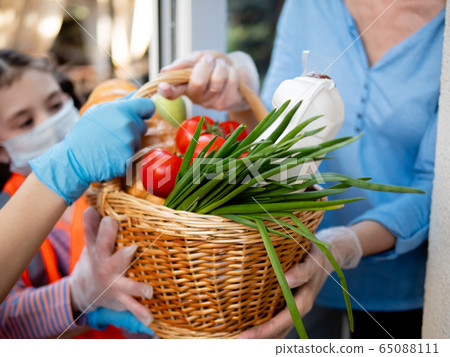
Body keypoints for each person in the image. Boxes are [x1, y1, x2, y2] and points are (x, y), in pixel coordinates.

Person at [157, 0, 445, 338]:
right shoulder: (309, 6)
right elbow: (273, 137)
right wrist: (238, 100)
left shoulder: (443, 32)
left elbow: (437, 186)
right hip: (285, 263)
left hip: (397, 290)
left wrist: (342, 244)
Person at [0, 50, 155, 338]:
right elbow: (5, 321)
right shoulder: (6, 213)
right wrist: (78, 296)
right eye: (25, 123)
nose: (49, 122)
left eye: (56, 104)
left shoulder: (117, 178)